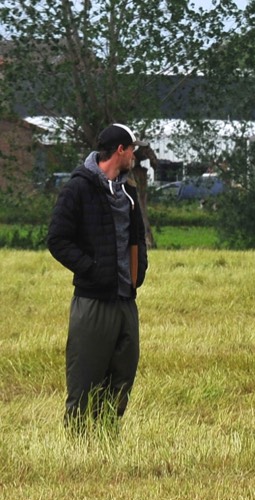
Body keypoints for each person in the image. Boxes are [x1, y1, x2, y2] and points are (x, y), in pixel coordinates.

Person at [47, 123, 150, 433]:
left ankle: (106, 440)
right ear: (120, 150)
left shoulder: (128, 190)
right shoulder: (77, 188)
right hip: (93, 302)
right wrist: (93, 270)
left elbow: (137, 239)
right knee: (85, 381)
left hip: (125, 301)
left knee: (122, 377)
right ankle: (79, 450)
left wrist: (138, 273)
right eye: (133, 149)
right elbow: (57, 240)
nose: (135, 155)